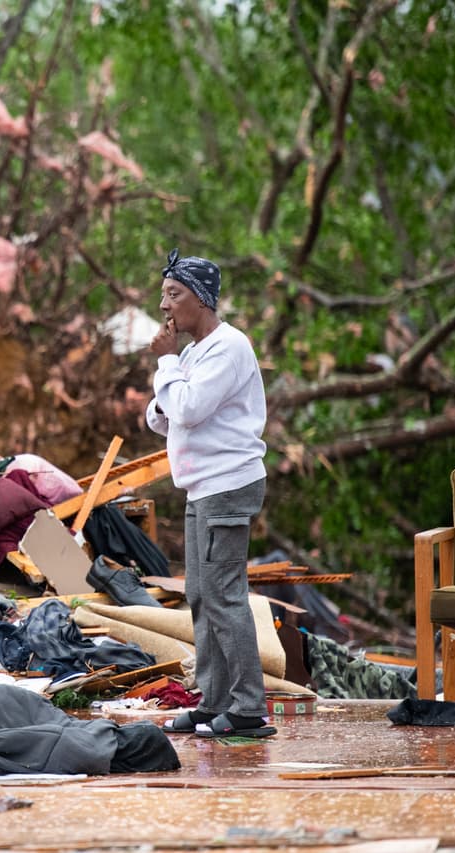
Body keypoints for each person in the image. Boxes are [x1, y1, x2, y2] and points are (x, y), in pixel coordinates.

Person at [144, 248, 274, 739]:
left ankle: (248, 708)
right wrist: (169, 378)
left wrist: (166, 367)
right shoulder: (194, 352)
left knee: (223, 594)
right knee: (200, 594)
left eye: (174, 295)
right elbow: (163, 416)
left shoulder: (228, 347)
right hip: (202, 488)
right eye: (163, 295)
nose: (165, 307)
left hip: (228, 485)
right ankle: (213, 700)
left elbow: (191, 408)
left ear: (201, 298)